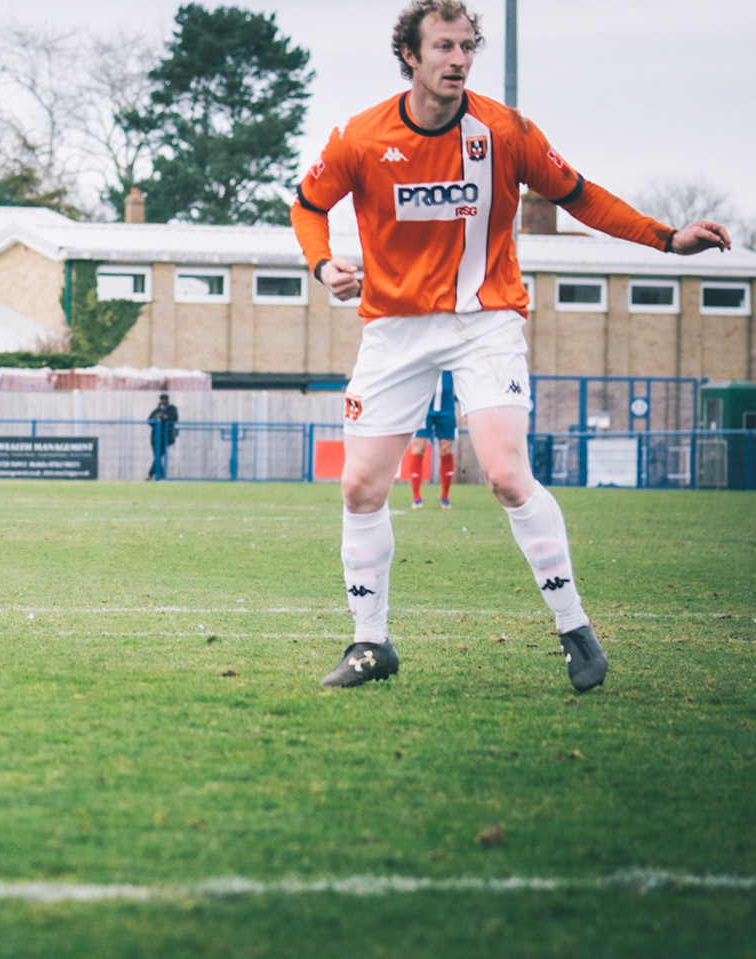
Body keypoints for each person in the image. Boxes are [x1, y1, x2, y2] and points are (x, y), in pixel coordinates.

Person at [292, 0, 732, 690]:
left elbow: (577, 193)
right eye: (443, 46)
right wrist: (322, 265)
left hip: (484, 320)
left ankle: (575, 628)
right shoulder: (361, 137)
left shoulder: (504, 130)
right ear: (409, 54)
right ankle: (370, 645)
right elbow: (308, 202)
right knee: (359, 486)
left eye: (467, 46)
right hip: (395, 325)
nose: (459, 59)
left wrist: (664, 237)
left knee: (503, 471)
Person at [407, 370, 457, 508]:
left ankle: (445, 497)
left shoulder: (451, 363)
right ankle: (416, 496)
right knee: (418, 447)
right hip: (424, 409)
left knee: (446, 449)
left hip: (446, 410)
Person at [146, 393, 178, 481]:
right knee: (157, 456)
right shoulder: (156, 410)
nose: (163, 401)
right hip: (155, 436)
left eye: (165, 399)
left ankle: (152, 474)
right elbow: (149, 420)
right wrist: (156, 418)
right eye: (162, 399)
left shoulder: (171, 409)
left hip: (165, 436)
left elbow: (174, 418)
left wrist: (164, 417)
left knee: (158, 456)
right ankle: (160, 474)